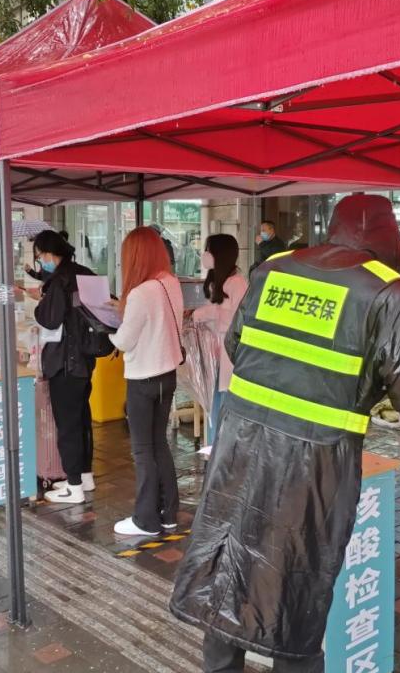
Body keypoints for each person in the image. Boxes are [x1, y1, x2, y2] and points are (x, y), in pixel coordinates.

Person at [171, 194, 400, 673]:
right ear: (391, 239)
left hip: (240, 444)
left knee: (229, 564)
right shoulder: (390, 292)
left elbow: (237, 346)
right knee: (299, 583)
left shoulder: (274, 269)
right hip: (315, 464)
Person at [110, 226, 184, 537]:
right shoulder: (170, 282)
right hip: (167, 376)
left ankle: (145, 520)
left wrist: (109, 331)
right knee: (159, 444)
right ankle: (168, 514)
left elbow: (125, 341)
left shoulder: (140, 293)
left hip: (142, 379)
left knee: (142, 450)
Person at [29, 230, 100, 504]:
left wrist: (41, 300)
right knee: (81, 419)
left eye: (40, 257)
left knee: (67, 425)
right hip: (85, 359)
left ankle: (73, 486)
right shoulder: (85, 273)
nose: (40, 262)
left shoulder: (60, 281)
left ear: (49, 253)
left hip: (65, 364)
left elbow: (49, 319)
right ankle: (84, 475)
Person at [190, 234, 247, 446]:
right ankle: (214, 448)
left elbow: (235, 319)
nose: (205, 254)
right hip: (215, 354)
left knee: (223, 403)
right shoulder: (219, 281)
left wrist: (200, 314)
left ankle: (221, 448)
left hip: (228, 356)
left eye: (209, 249)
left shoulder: (237, 283)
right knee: (215, 403)